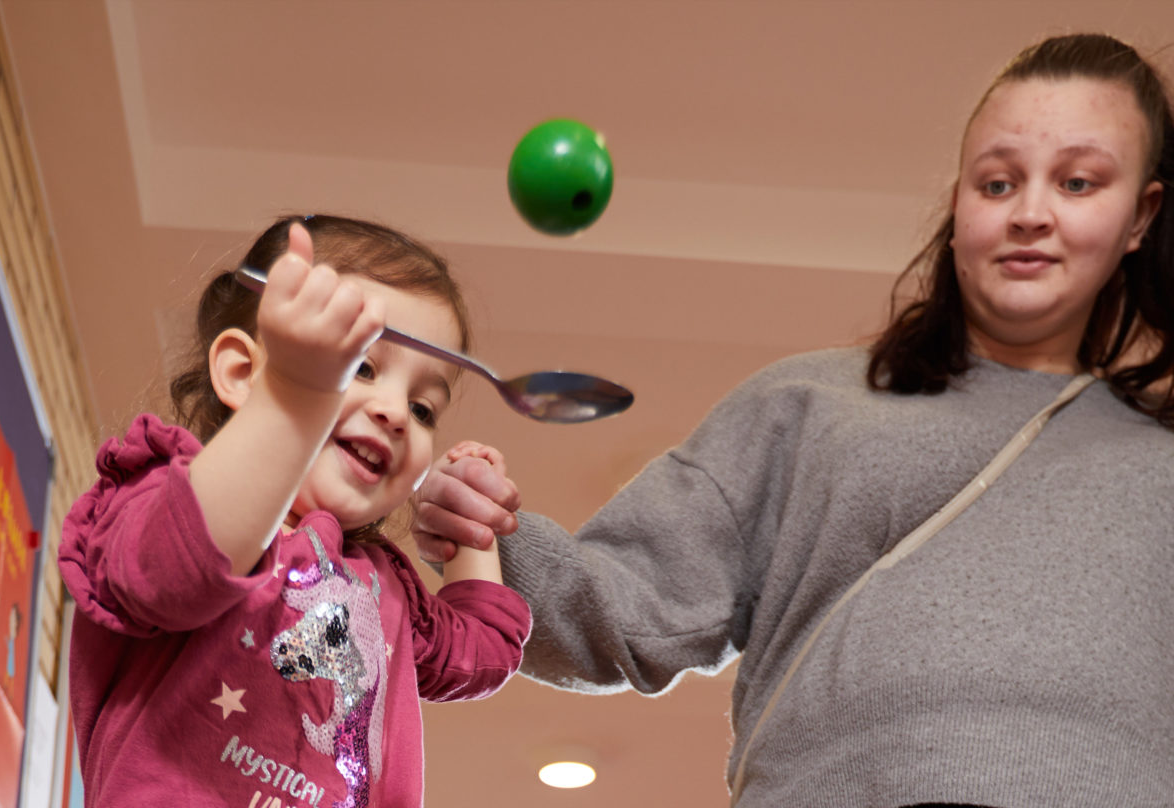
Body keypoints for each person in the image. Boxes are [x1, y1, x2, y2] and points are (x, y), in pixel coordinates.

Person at [413, 33, 1174, 807]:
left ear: (1142, 214)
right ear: (956, 204)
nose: (1031, 213)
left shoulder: (1162, 460)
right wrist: (483, 536)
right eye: (998, 183)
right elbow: (627, 612)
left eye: (1078, 183)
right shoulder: (803, 405)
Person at [59, 214, 531, 807]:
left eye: (424, 408)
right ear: (242, 373)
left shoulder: (382, 586)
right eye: (358, 366)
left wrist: (473, 530)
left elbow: (480, 654)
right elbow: (180, 567)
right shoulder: (171, 502)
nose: (394, 412)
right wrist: (291, 398)